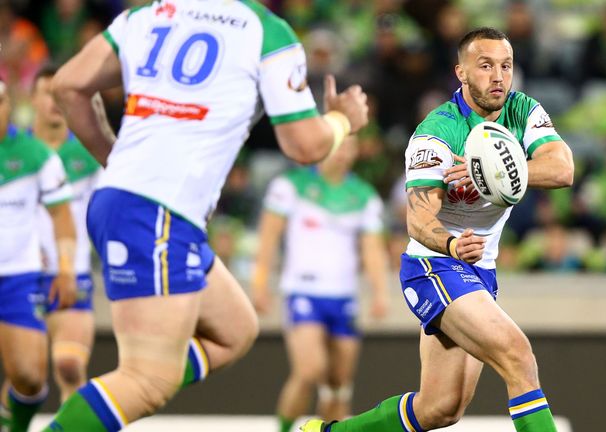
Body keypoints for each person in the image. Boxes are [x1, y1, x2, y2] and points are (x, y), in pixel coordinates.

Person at [45, 0, 369, 430]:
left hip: (135, 203)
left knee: (234, 331)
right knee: (145, 381)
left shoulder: (146, 15)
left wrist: (116, 160)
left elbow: (67, 85)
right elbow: (305, 146)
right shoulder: (265, 30)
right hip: (158, 213)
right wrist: (341, 120)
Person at [302, 27, 574, 432]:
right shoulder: (437, 133)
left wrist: (499, 168)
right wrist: (450, 242)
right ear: (461, 73)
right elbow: (418, 220)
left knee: (440, 408)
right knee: (518, 355)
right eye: (485, 66)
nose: (498, 77)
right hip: (436, 263)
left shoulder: (523, 110)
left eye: (506, 66)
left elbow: (563, 168)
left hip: (479, 269)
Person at [252, 137, 390, 432]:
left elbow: (372, 251)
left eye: (349, 146)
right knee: (309, 370)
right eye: (338, 144)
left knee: (339, 384)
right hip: (303, 292)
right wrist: (260, 285)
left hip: (344, 296)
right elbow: (268, 239)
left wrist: (380, 293)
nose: (343, 153)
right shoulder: (290, 186)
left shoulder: (364, 196)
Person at [0, 75, 77, 432]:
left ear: (10, 108)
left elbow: (61, 215)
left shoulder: (36, 156)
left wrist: (65, 269)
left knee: (30, 377)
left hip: (18, 276)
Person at [32, 65, 102, 404]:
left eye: (62, 93)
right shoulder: (15, 153)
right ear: (31, 98)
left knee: (70, 365)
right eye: (47, 92)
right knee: (25, 378)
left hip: (70, 275)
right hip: (19, 276)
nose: (54, 101)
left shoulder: (88, 155)